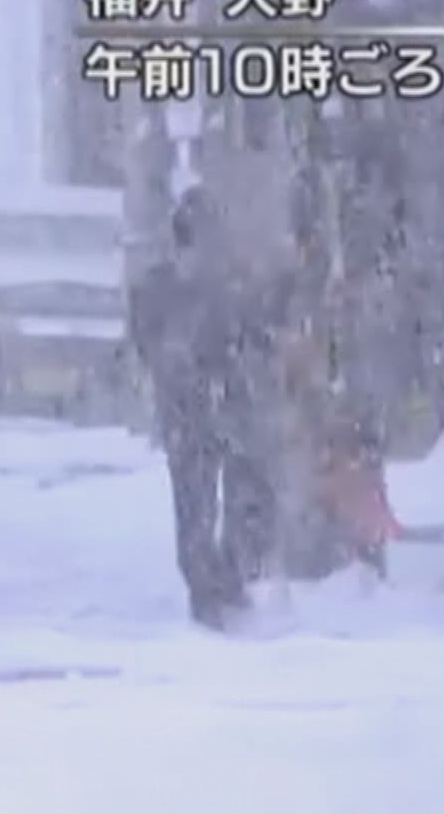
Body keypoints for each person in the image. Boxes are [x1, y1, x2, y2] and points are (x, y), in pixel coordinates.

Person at [130, 186, 281, 628]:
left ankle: (227, 581)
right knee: (196, 505)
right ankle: (208, 590)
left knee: (231, 499)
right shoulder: (164, 289)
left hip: (221, 410)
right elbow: (150, 345)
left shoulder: (223, 286)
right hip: (193, 412)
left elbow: (253, 339)